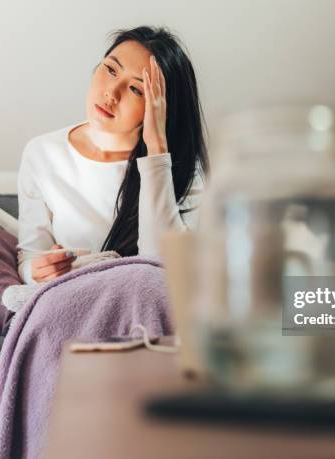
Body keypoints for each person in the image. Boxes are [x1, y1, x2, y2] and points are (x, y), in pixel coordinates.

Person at [16, 26, 209, 284]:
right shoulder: (42, 153)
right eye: (110, 69)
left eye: (136, 89)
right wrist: (37, 272)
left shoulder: (181, 168)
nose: (112, 93)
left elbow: (162, 271)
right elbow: (30, 256)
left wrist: (156, 151)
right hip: (71, 302)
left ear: (159, 107)